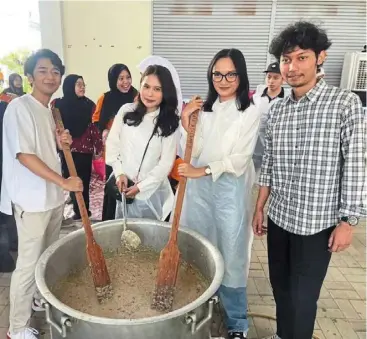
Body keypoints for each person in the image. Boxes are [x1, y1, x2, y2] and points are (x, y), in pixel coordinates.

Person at [252, 21, 366, 339]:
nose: (293, 67)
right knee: (280, 289)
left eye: (302, 57)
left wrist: (348, 221)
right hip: (280, 219)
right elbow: (269, 164)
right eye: (287, 60)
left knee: (303, 298)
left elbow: (357, 166)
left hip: (317, 225)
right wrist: (260, 207)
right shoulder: (277, 112)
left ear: (320, 58)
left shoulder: (345, 105)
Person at [177, 48, 261, 339]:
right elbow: (191, 150)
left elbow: (240, 158)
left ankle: (237, 322)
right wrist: (186, 120)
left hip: (229, 194)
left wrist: (202, 171)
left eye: (230, 74)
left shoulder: (249, 112)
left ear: (241, 76)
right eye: (217, 74)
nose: (223, 80)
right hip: (199, 195)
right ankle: (199, 311)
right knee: (199, 247)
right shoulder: (204, 110)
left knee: (231, 251)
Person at [0, 49, 83, 339]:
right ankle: (17, 328)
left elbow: (47, 151)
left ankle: (38, 297)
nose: (50, 76)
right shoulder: (19, 107)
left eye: (55, 72)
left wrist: (62, 142)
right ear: (30, 75)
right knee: (27, 264)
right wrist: (64, 183)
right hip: (32, 201)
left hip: (52, 200)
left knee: (45, 257)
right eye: (43, 70)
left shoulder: (50, 110)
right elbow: (25, 156)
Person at [106, 64, 179, 221]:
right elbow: (112, 144)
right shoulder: (126, 111)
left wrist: (141, 187)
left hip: (151, 192)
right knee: (121, 236)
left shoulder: (169, 123)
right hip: (122, 186)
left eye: (157, 89)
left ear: (165, 92)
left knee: (150, 239)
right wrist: (119, 173)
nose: (150, 93)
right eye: (146, 86)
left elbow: (166, 163)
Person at [53, 74, 103, 221]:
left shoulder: (89, 105)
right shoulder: (57, 105)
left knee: (83, 182)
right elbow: (54, 126)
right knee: (69, 178)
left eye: (83, 84)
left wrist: (98, 148)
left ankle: (83, 210)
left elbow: (94, 128)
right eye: (78, 84)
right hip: (66, 150)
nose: (82, 87)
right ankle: (76, 206)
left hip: (84, 151)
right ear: (69, 86)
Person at [92, 64, 138, 221]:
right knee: (113, 183)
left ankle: (129, 219)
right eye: (121, 78)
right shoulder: (105, 98)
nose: (126, 82)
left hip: (132, 149)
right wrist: (103, 131)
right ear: (113, 80)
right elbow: (96, 120)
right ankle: (111, 220)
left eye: (128, 77)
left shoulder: (137, 96)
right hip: (112, 149)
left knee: (131, 182)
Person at [252, 62, 286, 173]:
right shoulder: (256, 98)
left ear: (283, 79)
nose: (271, 81)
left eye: (276, 78)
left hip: (275, 147)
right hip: (254, 145)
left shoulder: (287, 100)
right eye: (269, 77)